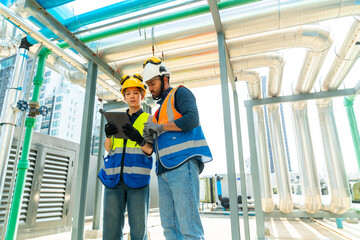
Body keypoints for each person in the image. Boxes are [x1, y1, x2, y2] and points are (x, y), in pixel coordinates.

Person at [142, 57, 213, 240]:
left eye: (152, 83)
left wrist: (161, 127)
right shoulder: (157, 113)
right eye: (148, 85)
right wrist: (149, 137)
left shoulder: (180, 94)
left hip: (183, 165)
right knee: (170, 228)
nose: (150, 89)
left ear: (165, 78)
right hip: (163, 170)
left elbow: (192, 119)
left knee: (189, 228)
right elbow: (152, 147)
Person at [98, 74, 153, 240]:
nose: (132, 97)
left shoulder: (149, 119)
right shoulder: (117, 119)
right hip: (113, 179)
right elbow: (109, 149)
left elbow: (150, 150)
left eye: (136, 93)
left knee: (138, 228)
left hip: (138, 180)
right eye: (128, 94)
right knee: (110, 227)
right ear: (124, 97)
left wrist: (139, 139)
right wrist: (108, 136)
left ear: (142, 96)